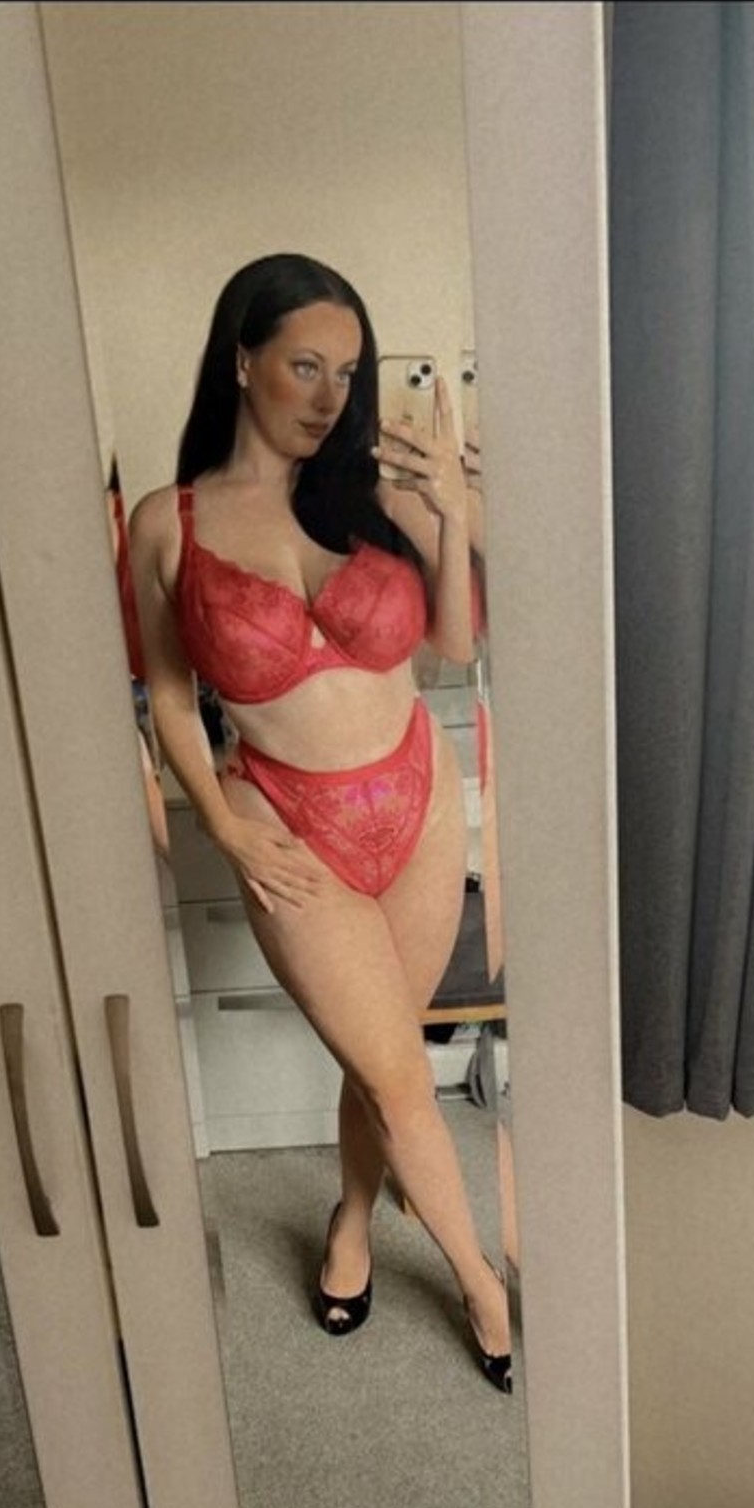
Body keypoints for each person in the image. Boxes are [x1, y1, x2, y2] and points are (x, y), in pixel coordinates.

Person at [129, 253, 511, 1391]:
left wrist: (452, 516)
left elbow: (454, 645)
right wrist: (222, 825)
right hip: (288, 826)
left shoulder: (371, 493)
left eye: (349, 371)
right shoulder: (166, 524)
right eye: (306, 365)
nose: (331, 395)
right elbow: (166, 698)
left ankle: (352, 1217)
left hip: (417, 797)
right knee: (401, 1080)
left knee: (377, 1052)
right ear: (242, 358)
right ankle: (483, 1286)